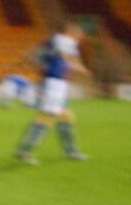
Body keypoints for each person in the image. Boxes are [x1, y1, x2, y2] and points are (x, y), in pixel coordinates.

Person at [15, 21, 91, 165]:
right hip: (54, 84)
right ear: (71, 31)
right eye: (80, 34)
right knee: (47, 117)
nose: (81, 37)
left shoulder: (52, 40)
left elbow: (36, 57)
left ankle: (70, 151)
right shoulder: (66, 40)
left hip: (54, 83)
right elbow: (70, 59)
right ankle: (25, 151)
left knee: (67, 117)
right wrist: (83, 70)